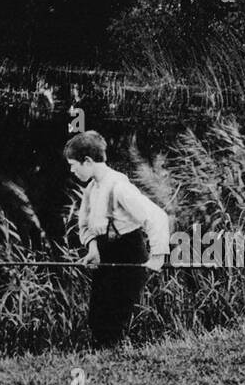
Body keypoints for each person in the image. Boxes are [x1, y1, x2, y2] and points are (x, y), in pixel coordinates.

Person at [64, 130, 170, 346]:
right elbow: (84, 224)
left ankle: (113, 360)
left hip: (129, 253)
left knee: (114, 318)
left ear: (88, 161)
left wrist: (157, 256)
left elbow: (157, 217)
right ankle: (103, 357)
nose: (71, 170)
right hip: (105, 253)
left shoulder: (119, 187)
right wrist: (93, 249)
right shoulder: (91, 189)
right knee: (96, 317)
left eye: (73, 164)